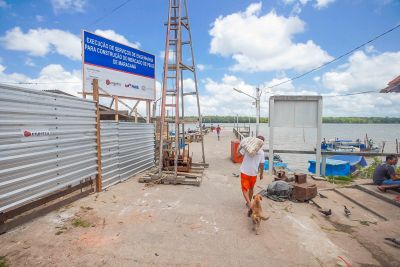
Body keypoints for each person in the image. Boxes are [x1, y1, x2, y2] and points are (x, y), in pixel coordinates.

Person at [239, 136, 265, 216]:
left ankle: (250, 204)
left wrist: (239, 147)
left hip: (245, 171)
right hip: (253, 173)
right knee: (251, 188)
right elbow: (261, 164)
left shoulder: (247, 147)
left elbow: (238, 155)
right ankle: (249, 202)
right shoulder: (262, 152)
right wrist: (261, 173)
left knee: (244, 189)